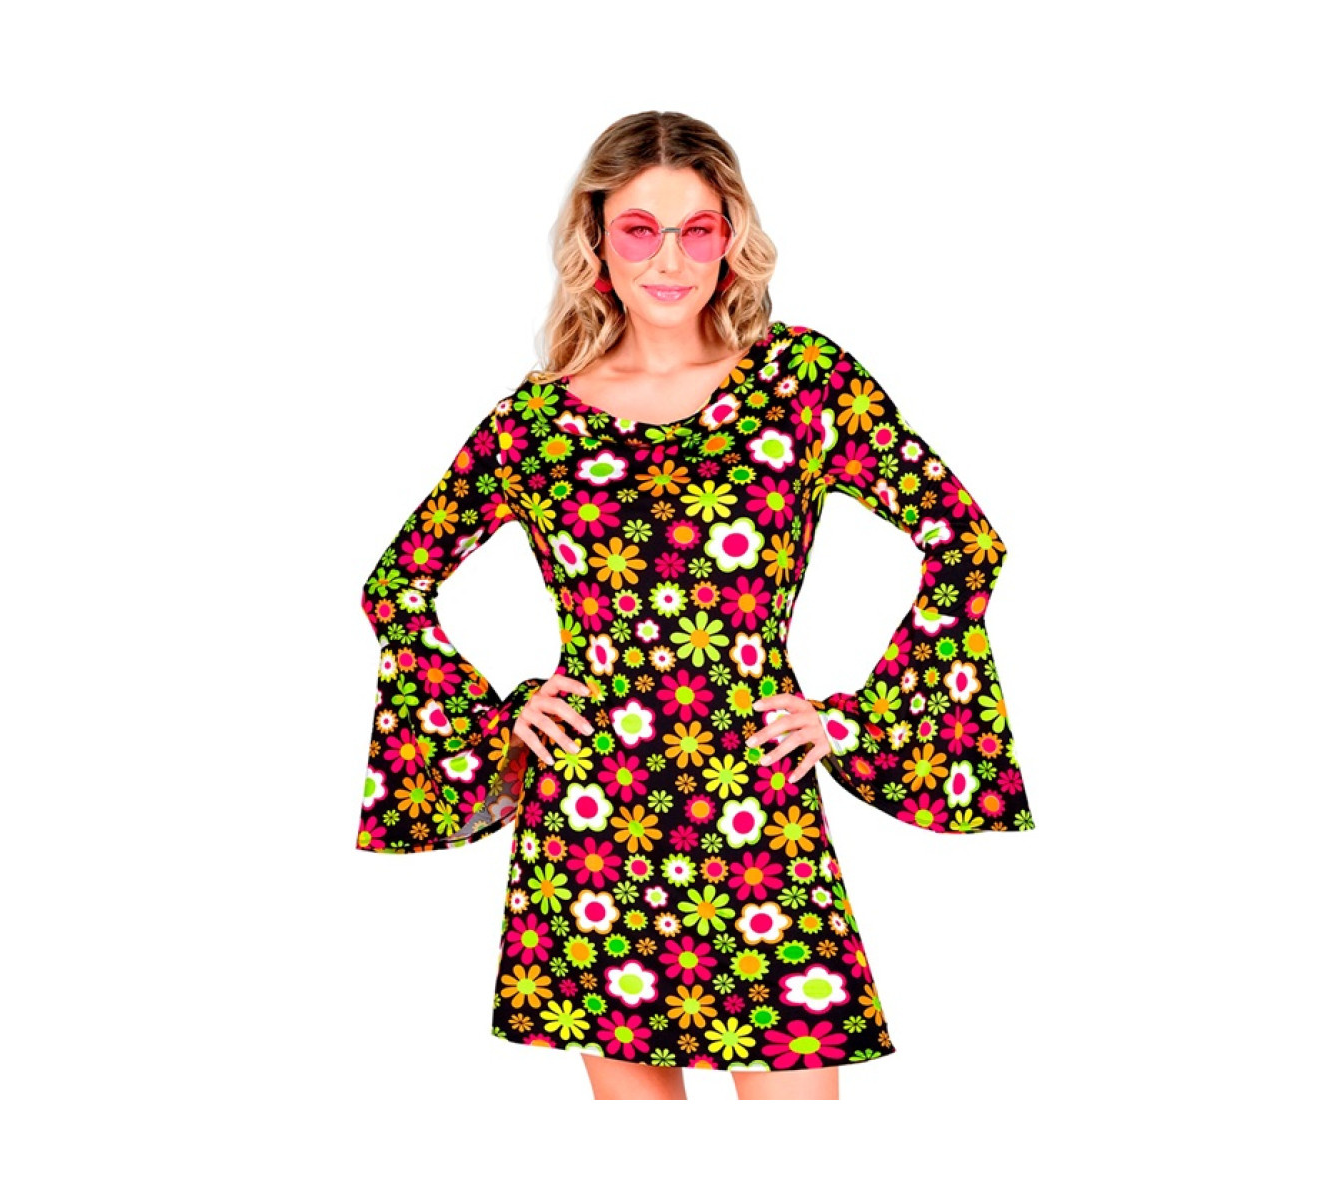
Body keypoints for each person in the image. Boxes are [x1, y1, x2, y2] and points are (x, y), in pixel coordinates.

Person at [355, 111, 1033, 1101]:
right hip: (592, 817)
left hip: (756, 807)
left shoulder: (803, 382)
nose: (668, 259)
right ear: (595, 242)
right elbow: (396, 586)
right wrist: (506, 717)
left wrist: (851, 721)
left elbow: (963, 541)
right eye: (639, 230)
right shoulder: (536, 420)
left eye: (696, 230)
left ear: (730, 240)